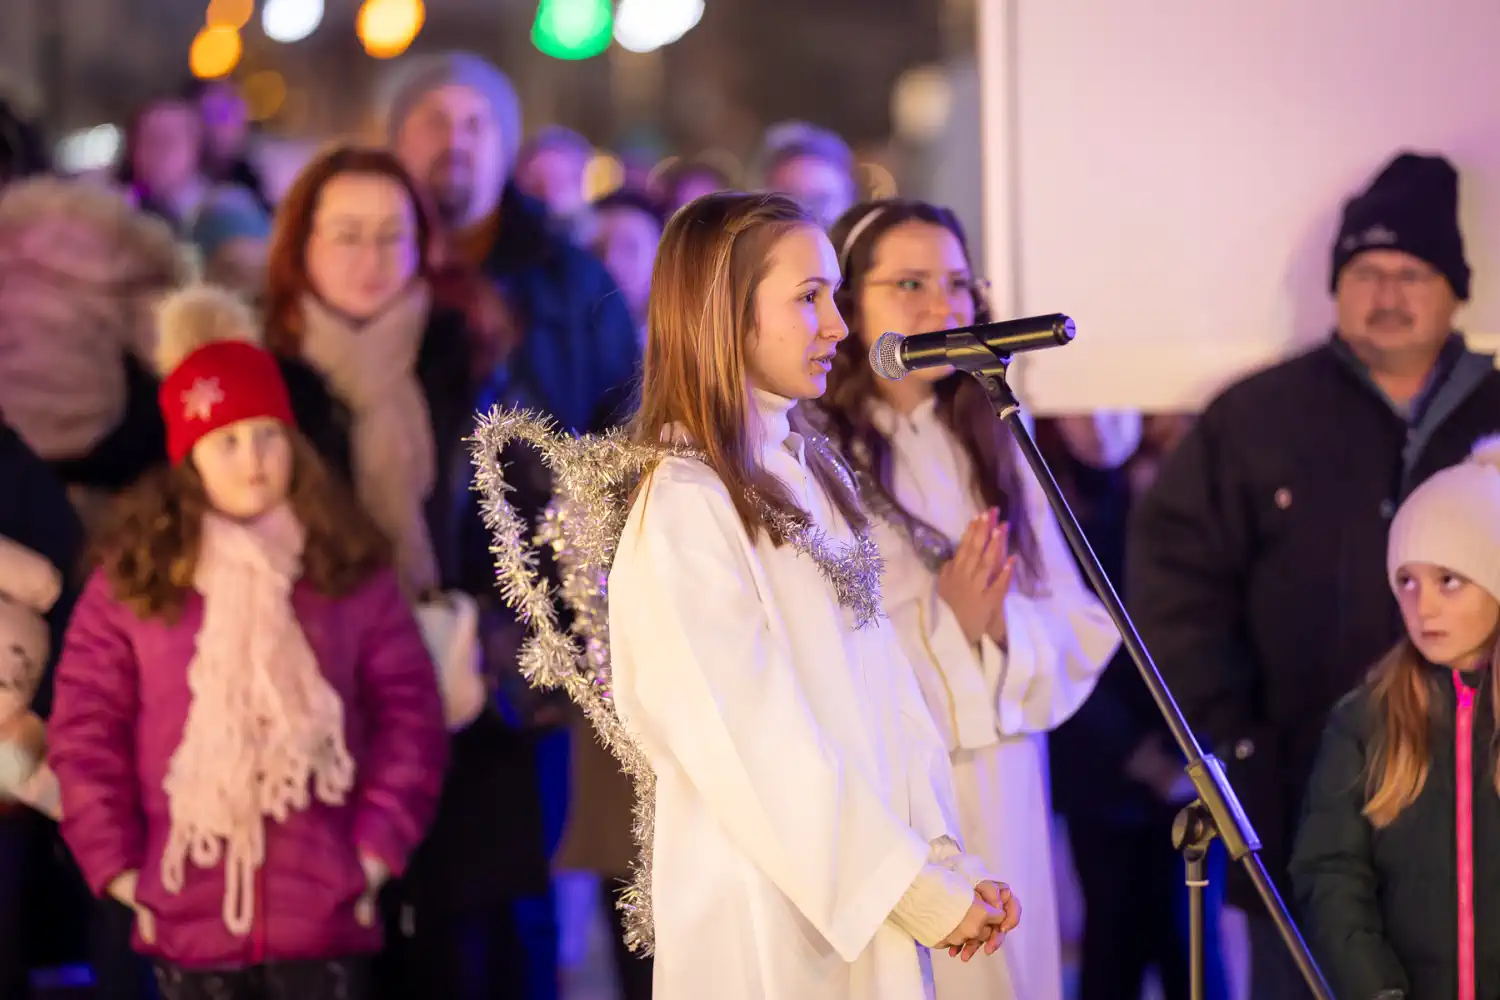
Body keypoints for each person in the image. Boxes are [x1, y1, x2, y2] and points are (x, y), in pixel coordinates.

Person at [605, 191, 1018, 999]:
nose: (837, 326)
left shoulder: (807, 469)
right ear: (723, 313)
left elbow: (885, 691)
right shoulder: (687, 503)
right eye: (807, 298)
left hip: (867, 892)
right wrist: (917, 889)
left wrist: (942, 861)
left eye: (832, 295)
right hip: (773, 914)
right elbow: (751, 741)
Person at [1127, 150, 1500, 1000]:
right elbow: (1171, 582)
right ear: (1337, 285)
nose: (1388, 292)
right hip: (1298, 809)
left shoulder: (1495, 412)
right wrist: (1235, 739)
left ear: (1457, 289)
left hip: (1486, 823)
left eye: (1412, 271)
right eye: (1366, 270)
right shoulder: (1256, 417)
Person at [46, 285, 448, 1000]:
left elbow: (409, 714)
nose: (252, 458)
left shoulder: (344, 567)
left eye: (268, 435)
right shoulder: (138, 580)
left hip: (324, 919)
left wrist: (374, 854)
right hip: (184, 915)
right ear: (189, 457)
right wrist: (122, 871)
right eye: (225, 440)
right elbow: (85, 729)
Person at [813, 199, 1117, 1000]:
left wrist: (996, 627)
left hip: (1005, 776)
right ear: (850, 305)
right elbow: (817, 651)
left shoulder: (996, 437)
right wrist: (950, 625)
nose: (942, 308)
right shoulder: (813, 451)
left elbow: (1079, 620)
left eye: (956, 283)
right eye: (909, 283)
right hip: (897, 796)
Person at [1291, 436, 1500, 1000]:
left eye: (1449, 580)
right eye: (1406, 581)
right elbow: (1331, 872)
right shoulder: (1366, 716)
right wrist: (1375, 991)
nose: (1423, 606)